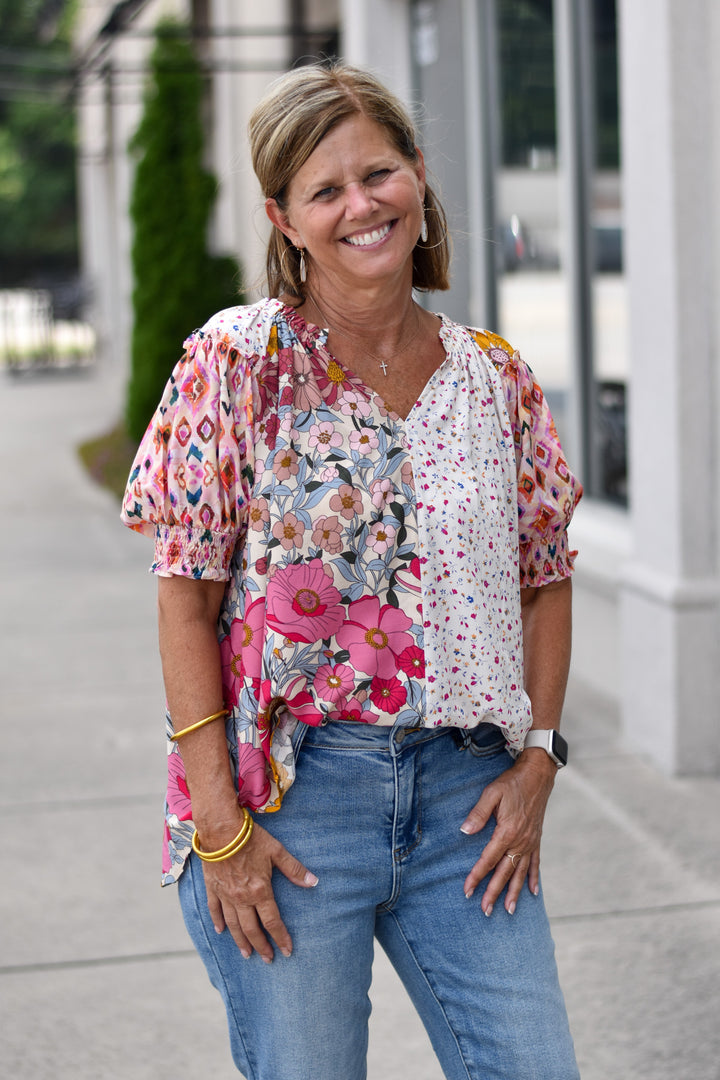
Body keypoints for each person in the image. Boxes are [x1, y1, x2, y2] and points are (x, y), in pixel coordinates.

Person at [122, 61, 582, 1080]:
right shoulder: (234, 362)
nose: (361, 206)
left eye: (378, 173)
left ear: (418, 173)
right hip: (289, 806)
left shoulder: (495, 376)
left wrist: (541, 756)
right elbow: (185, 602)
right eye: (325, 191)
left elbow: (543, 575)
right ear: (284, 220)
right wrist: (218, 828)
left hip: (468, 797)